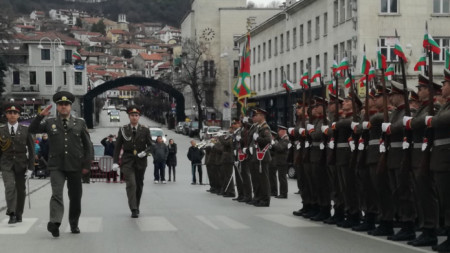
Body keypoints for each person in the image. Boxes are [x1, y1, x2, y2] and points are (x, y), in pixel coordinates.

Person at [29, 91, 94, 237]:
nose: (63, 107)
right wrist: (41, 115)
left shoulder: (80, 123)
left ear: (70, 107)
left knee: (75, 196)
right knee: (56, 194)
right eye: (60, 104)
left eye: (66, 104)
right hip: (56, 165)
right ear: (57, 107)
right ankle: (55, 223)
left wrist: (86, 166)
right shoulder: (50, 122)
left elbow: (88, 145)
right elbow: (32, 130)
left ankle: (74, 223)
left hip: (75, 165)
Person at [112, 106, 153, 218]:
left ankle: (137, 205)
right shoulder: (123, 129)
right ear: (129, 117)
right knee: (131, 184)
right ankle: (133, 208)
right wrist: (115, 161)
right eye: (132, 115)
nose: (134, 117)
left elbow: (151, 146)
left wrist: (145, 152)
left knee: (139, 185)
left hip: (141, 160)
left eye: (136, 115)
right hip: (128, 160)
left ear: (139, 117)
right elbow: (117, 146)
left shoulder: (145, 129)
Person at [0, 104, 35, 224]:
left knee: (21, 190)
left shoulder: (26, 130)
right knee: (9, 187)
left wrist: (31, 168)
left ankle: (19, 213)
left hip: (21, 164)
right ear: (6, 115)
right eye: (10, 112)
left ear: (19, 115)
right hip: (6, 164)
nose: (12, 115)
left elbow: (31, 149)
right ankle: (12, 213)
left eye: (15, 113)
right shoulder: (1, 130)